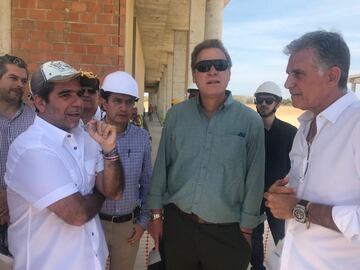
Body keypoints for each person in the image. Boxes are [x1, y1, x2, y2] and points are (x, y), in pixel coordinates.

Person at [148, 39, 265, 270]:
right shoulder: (176, 116)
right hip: (179, 227)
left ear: (229, 72)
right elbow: (162, 167)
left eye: (220, 65)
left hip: (229, 232)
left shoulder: (250, 121)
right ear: (194, 74)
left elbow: (255, 177)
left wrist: (247, 229)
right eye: (204, 66)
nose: (212, 71)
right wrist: (156, 217)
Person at [5, 60, 125, 270]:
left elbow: (114, 191)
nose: (78, 102)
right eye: (65, 95)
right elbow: (77, 214)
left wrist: (110, 150)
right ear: (40, 103)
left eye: (78, 94)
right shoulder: (31, 149)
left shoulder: (87, 136)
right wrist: (100, 192)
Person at [264, 30, 360, 270]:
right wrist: (281, 197)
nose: (287, 83)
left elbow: (300, 207)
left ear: (332, 76)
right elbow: (301, 196)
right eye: (288, 74)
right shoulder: (305, 126)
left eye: (297, 74)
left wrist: (299, 209)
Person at [99, 71, 152, 270]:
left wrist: (142, 223)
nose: (124, 108)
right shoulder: (90, 135)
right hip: (95, 224)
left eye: (129, 102)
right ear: (104, 102)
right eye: (117, 101)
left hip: (127, 229)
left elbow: (148, 183)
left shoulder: (141, 138)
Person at [251, 81, 297, 270]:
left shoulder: (290, 133)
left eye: (268, 100)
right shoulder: (248, 131)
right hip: (252, 195)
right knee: (253, 235)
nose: (263, 104)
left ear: (277, 104)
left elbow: (297, 166)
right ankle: (257, 267)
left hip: (279, 196)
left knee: (283, 236)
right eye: (259, 100)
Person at [0, 54, 35, 255]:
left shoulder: (35, 121)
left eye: (23, 81)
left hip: (23, 216)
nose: (20, 84)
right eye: (13, 78)